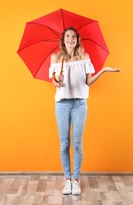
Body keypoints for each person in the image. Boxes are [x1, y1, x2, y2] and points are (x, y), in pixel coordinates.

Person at [49, 26, 120, 195]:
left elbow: (88, 82)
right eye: (68, 36)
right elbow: (54, 84)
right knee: (64, 144)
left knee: (77, 144)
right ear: (63, 39)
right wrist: (57, 79)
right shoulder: (56, 58)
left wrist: (103, 70)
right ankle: (67, 180)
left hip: (80, 103)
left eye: (74, 36)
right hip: (62, 104)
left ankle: (76, 179)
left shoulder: (85, 57)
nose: (71, 39)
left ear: (77, 39)